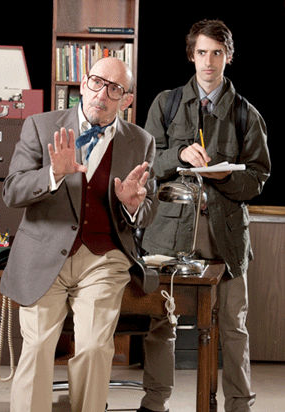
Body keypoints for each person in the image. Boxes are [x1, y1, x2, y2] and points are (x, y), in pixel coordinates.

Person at [0, 57, 159, 412]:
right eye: (96, 82)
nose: (102, 94)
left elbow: (149, 210)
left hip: (104, 259)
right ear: (83, 83)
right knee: (39, 344)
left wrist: (133, 205)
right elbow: (12, 191)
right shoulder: (40, 127)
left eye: (114, 88)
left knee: (93, 348)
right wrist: (52, 175)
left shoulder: (141, 142)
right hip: (44, 254)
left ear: (127, 100)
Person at [138, 20, 271, 412]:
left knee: (233, 327)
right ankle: (155, 402)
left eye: (217, 53)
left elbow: (259, 179)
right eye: (202, 52)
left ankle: (239, 405)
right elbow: (146, 164)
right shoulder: (167, 103)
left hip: (225, 239)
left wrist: (229, 177)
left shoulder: (247, 115)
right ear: (191, 56)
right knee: (163, 324)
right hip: (169, 236)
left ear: (228, 57)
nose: (209, 62)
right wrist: (177, 155)